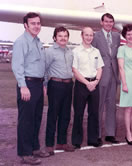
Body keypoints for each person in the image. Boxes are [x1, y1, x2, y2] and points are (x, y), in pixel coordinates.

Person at [11, 12, 50, 165]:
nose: (36, 26)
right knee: (26, 120)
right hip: (27, 84)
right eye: (33, 23)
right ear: (26, 25)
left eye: (38, 23)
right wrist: (23, 86)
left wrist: (44, 84)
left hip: (39, 85)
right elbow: (17, 66)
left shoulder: (38, 41)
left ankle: (34, 148)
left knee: (36, 118)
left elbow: (42, 65)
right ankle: (25, 153)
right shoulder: (21, 42)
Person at [71, 27, 104, 149]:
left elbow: (100, 68)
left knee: (94, 113)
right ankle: (76, 140)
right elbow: (75, 70)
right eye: (87, 35)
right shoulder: (76, 51)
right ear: (82, 35)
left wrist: (95, 81)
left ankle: (93, 139)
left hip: (94, 84)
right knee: (79, 113)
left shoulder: (96, 51)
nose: (89, 37)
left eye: (91, 35)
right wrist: (87, 83)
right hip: (81, 84)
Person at [44, 26, 75, 155]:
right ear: (55, 38)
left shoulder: (70, 51)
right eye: (60, 36)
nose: (63, 38)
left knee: (65, 115)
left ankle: (62, 142)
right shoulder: (49, 52)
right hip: (55, 85)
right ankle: (49, 144)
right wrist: (45, 85)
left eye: (65, 36)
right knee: (53, 115)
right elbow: (44, 69)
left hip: (68, 85)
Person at [92, 13, 120, 144]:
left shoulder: (116, 36)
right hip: (101, 75)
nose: (109, 24)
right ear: (101, 22)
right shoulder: (95, 36)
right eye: (106, 21)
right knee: (98, 105)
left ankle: (110, 133)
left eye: (111, 22)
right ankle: (96, 134)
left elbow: (115, 56)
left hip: (114, 76)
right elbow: (93, 56)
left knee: (111, 106)